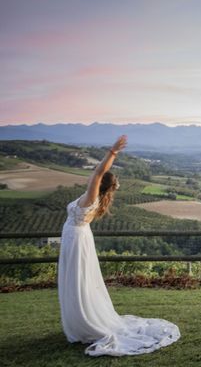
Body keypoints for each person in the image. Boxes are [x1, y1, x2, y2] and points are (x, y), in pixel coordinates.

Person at [58, 135, 180, 356]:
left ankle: (85, 321)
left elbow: (97, 172)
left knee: (77, 280)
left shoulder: (91, 197)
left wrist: (112, 153)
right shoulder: (91, 198)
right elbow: (97, 175)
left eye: (97, 177)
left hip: (76, 239)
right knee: (75, 279)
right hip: (76, 237)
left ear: (100, 183)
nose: (92, 176)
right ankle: (78, 320)